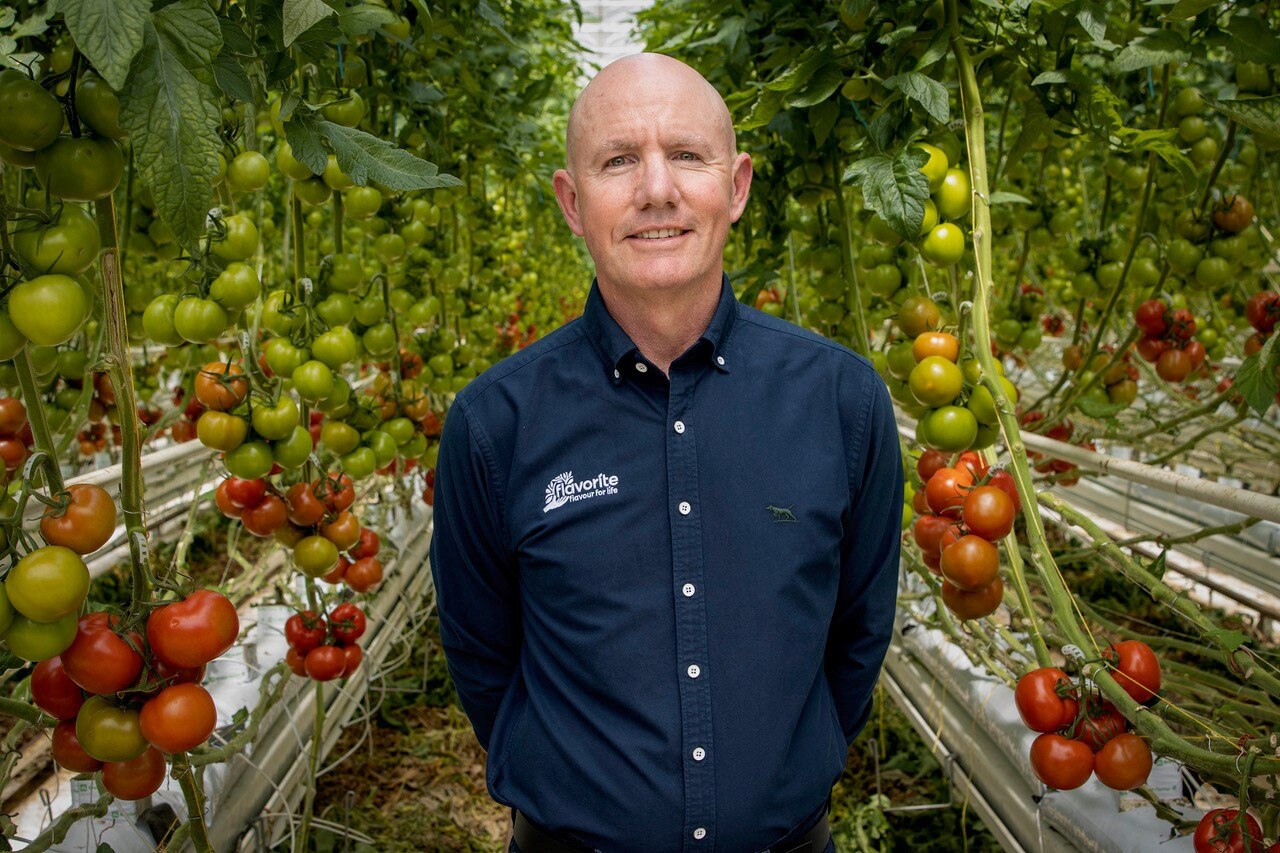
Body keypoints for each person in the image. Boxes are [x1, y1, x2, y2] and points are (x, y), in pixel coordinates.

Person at [429, 53, 903, 853]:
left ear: (739, 186)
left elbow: (858, 634)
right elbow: (483, 654)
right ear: (573, 203)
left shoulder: (842, 401)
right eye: (619, 160)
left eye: (687, 154)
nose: (657, 189)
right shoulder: (494, 423)